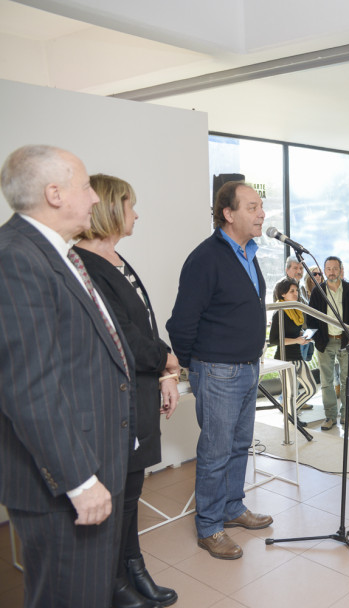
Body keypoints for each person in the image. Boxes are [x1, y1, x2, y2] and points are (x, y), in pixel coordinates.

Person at [0, 145, 132, 607]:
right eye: (85, 187)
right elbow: (29, 387)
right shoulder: (17, 258)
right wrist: (79, 481)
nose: (95, 198)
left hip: (90, 460)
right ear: (54, 194)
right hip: (62, 480)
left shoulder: (54, 253)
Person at [74, 174, 180, 607]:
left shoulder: (115, 257)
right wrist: (167, 360)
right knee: (119, 495)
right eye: (131, 205)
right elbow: (123, 337)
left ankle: (133, 569)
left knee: (131, 493)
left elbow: (143, 326)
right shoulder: (84, 264)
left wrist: (164, 374)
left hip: (139, 389)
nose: (136, 214)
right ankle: (115, 581)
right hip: (115, 397)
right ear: (112, 209)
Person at [167, 180, 273, 560]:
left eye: (261, 206)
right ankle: (209, 526)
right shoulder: (206, 258)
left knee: (239, 445)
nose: (261, 213)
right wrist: (199, 368)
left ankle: (232, 507)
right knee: (215, 451)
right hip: (218, 372)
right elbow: (180, 323)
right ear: (228, 214)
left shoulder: (248, 253)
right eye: (252, 207)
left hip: (247, 368)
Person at [308, 255, 349, 430]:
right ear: (324, 271)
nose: (332, 272)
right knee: (327, 381)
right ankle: (330, 416)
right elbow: (311, 319)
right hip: (325, 342)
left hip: (345, 341)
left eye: (335, 268)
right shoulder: (318, 291)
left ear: (341, 270)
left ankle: (348, 415)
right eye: (328, 269)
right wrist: (319, 340)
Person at [268, 279, 317, 416]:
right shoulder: (279, 312)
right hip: (284, 359)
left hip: (297, 357)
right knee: (291, 394)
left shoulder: (296, 311)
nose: (296, 294)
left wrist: (303, 336)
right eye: (292, 291)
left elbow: (293, 332)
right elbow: (274, 339)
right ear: (283, 294)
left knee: (312, 388)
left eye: (296, 291)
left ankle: (290, 412)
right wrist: (296, 340)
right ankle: (291, 418)